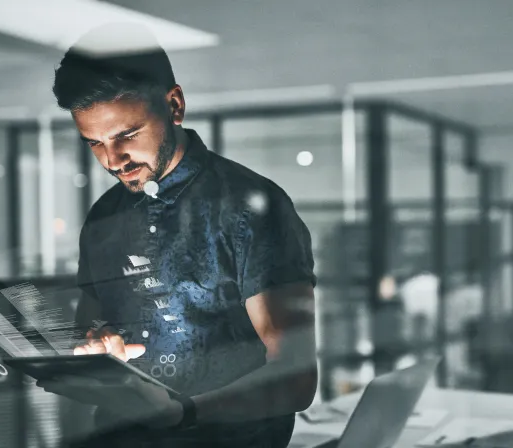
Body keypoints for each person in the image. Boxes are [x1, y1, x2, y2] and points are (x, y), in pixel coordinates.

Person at [38, 23, 318, 448]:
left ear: (175, 105)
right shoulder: (103, 217)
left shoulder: (251, 207)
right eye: (94, 143)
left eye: (126, 136)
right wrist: (95, 343)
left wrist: (184, 412)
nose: (114, 160)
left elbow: (295, 379)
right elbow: (88, 323)